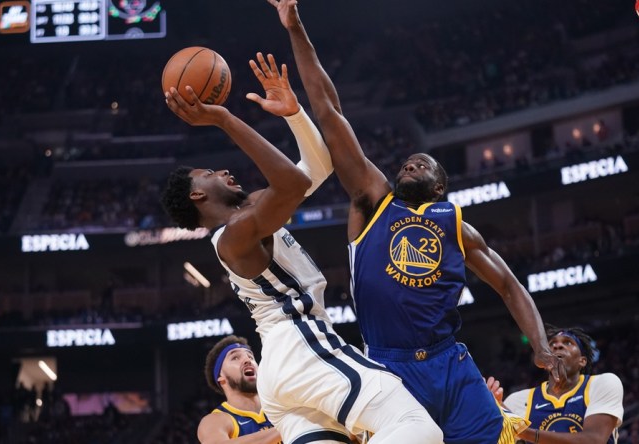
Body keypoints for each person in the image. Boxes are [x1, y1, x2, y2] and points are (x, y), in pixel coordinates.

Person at [267, 1, 565, 442]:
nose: (410, 164)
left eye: (422, 164)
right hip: (390, 368)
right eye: (407, 162)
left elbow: (508, 285)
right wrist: (296, 29)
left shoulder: (456, 226)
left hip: (452, 365)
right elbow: (329, 110)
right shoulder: (373, 200)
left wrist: (540, 345)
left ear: (439, 186)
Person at [161, 53, 442, 443]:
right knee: (417, 426)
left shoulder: (256, 208)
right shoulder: (234, 236)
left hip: (283, 373)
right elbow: (291, 184)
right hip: (303, 346)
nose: (224, 171)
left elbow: (317, 167)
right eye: (210, 174)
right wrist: (224, 119)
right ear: (197, 195)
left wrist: (294, 114)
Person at [497, 327, 624, 443]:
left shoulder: (602, 384)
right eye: (552, 344)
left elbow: (594, 440)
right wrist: (490, 407)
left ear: (582, 361)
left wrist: (525, 432)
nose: (558, 346)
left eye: (568, 342)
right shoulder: (517, 401)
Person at [198, 335, 282, 443]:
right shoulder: (216, 420)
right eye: (235, 358)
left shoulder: (281, 405)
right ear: (221, 378)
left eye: (250, 357)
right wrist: (284, 428)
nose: (247, 360)